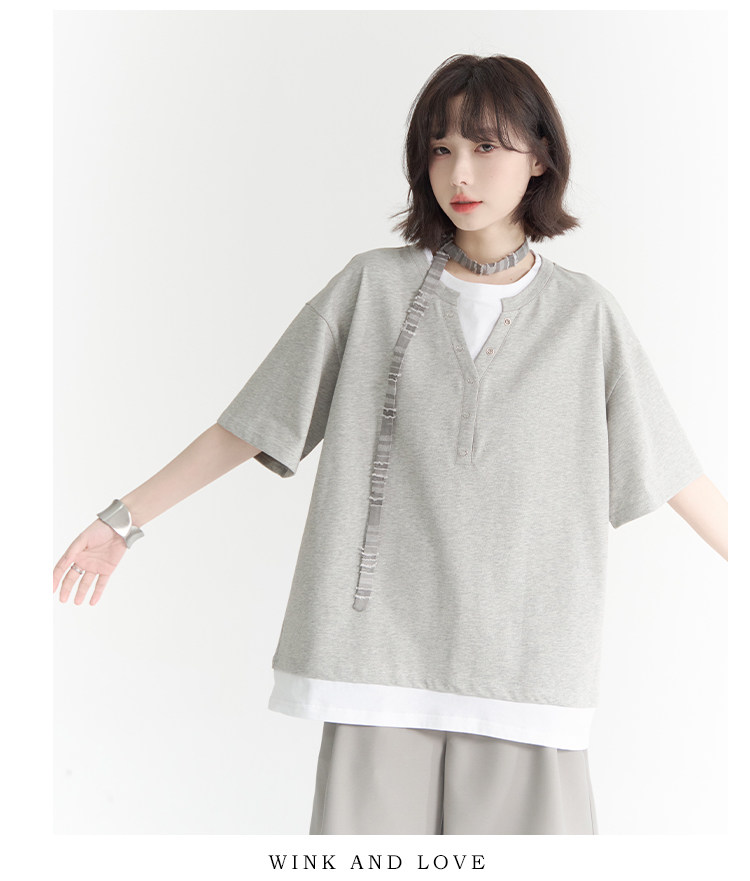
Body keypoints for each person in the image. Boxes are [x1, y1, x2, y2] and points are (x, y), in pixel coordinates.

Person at [52, 53, 728, 835]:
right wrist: (123, 520)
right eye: (441, 148)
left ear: (540, 157)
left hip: (527, 670)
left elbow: (673, 470)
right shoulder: (372, 287)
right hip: (376, 664)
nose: (459, 172)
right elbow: (255, 421)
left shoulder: (587, 316)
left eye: (485, 145)